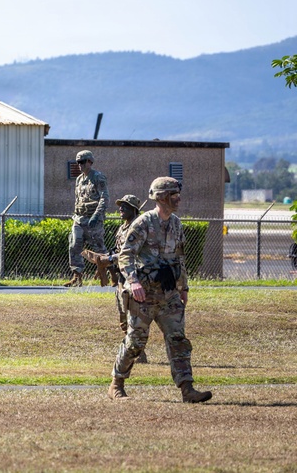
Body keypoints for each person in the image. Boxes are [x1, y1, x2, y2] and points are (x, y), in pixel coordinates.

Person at [108, 177, 213, 403]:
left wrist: (183, 287)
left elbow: (180, 258)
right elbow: (126, 255)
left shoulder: (176, 223)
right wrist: (133, 282)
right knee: (136, 341)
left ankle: (187, 389)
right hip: (142, 294)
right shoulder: (143, 223)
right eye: (173, 195)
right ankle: (116, 384)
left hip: (168, 294)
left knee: (178, 339)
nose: (178, 199)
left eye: (177, 194)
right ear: (161, 197)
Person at [108, 194, 148, 364]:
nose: (121, 209)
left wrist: (111, 258)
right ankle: (132, 349)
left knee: (134, 317)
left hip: (133, 278)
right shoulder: (123, 227)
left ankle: (138, 353)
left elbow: (133, 254)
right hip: (121, 278)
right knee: (123, 317)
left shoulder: (137, 228)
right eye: (120, 206)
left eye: (125, 206)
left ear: (134, 209)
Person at [65, 150, 108, 287]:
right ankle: (77, 276)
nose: (80, 165)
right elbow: (78, 199)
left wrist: (97, 215)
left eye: (82, 162)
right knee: (74, 245)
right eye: (78, 162)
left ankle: (108, 273)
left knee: (99, 248)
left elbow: (104, 198)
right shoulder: (79, 179)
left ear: (90, 162)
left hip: (93, 219)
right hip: (79, 218)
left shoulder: (98, 177)